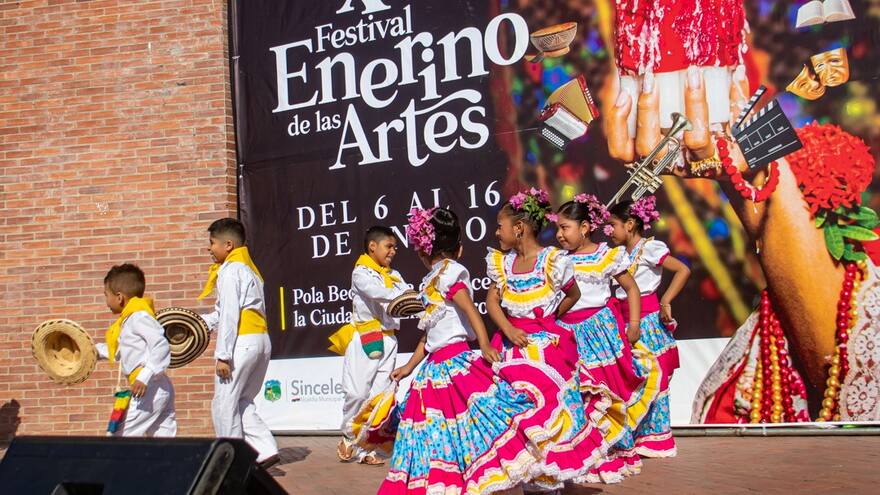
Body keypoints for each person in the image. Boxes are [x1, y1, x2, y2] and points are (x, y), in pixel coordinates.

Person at [486, 188, 611, 493]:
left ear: (519, 228)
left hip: (546, 351)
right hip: (513, 350)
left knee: (550, 413)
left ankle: (552, 475)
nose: (497, 233)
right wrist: (508, 329)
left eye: (500, 226)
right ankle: (530, 477)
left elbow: (573, 294)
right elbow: (492, 302)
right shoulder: (503, 263)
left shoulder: (552, 260)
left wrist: (550, 319)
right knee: (519, 413)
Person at [554, 194, 657, 482]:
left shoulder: (606, 255)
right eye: (558, 229)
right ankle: (587, 457)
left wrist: (633, 324)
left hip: (600, 332)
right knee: (579, 395)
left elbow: (632, 288)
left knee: (606, 393)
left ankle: (614, 452)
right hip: (569, 334)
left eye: (565, 228)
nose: (559, 235)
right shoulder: (558, 260)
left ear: (585, 227)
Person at [608, 196, 691, 457]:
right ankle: (632, 437)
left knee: (656, 377)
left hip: (647, 322)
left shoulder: (650, 249)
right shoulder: (618, 254)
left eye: (613, 225)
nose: (609, 231)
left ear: (630, 224)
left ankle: (657, 439)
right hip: (623, 321)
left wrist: (666, 300)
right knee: (632, 378)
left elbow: (682, 270)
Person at [199, 218, 279, 468]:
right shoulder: (249, 269)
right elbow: (226, 312)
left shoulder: (231, 270)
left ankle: (231, 460)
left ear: (229, 245)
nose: (209, 248)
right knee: (242, 400)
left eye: (212, 243)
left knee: (224, 403)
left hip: (241, 343)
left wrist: (223, 356)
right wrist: (198, 323)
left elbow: (230, 315)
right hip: (260, 341)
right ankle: (266, 450)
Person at [331, 226, 409, 466]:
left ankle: (367, 448)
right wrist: (403, 295)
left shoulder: (394, 275)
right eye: (389, 246)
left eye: (395, 247)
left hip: (389, 339)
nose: (393, 251)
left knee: (379, 397)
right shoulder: (361, 272)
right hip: (366, 336)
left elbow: (407, 295)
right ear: (372, 246)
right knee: (356, 392)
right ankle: (348, 436)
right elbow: (378, 292)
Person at [97, 263, 177, 437]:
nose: (106, 301)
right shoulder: (129, 320)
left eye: (106, 295)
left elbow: (161, 345)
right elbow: (122, 352)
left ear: (119, 297)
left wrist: (144, 377)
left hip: (148, 387)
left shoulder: (139, 317)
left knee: (119, 436)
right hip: (154, 386)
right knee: (164, 442)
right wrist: (94, 351)